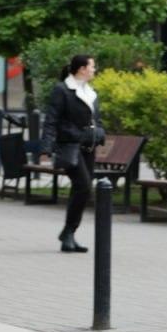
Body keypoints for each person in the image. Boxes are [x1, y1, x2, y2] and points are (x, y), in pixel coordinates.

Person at [40, 54, 106, 253]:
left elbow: (96, 118)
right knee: (84, 186)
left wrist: (100, 132)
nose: (95, 70)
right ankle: (68, 232)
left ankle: (69, 235)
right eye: (92, 66)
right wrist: (46, 148)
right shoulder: (62, 90)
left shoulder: (90, 91)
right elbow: (51, 120)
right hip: (69, 146)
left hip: (88, 147)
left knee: (81, 189)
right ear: (82, 69)